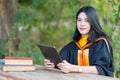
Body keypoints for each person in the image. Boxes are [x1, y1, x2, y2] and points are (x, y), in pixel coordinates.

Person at [44, 6, 114, 77]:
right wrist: (52, 64)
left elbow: (101, 69)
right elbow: (61, 62)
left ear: (93, 22)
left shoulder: (101, 43)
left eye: (87, 20)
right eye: (79, 20)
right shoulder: (73, 45)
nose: (82, 24)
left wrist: (74, 68)